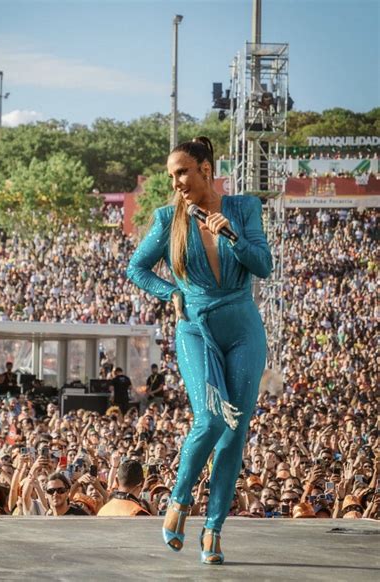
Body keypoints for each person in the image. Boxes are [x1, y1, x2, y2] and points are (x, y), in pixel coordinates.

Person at [127, 136, 272, 565]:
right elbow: (136, 268)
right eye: (172, 175)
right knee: (208, 418)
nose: (177, 183)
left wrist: (229, 235)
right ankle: (179, 498)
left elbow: (263, 265)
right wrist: (168, 290)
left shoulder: (244, 210)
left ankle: (213, 530)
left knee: (234, 433)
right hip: (195, 327)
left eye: (183, 172)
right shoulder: (167, 218)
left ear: (207, 169)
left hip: (245, 329)